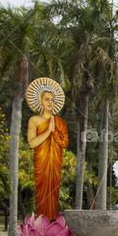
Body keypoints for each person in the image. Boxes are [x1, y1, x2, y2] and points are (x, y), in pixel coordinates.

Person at [27, 82, 69, 221]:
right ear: (40, 102)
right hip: (41, 161)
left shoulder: (60, 122)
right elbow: (32, 143)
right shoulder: (34, 120)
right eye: (47, 99)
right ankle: (41, 219)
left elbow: (65, 143)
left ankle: (53, 219)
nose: (50, 102)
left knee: (54, 190)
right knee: (41, 190)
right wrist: (48, 132)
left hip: (55, 161)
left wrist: (55, 132)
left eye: (52, 99)